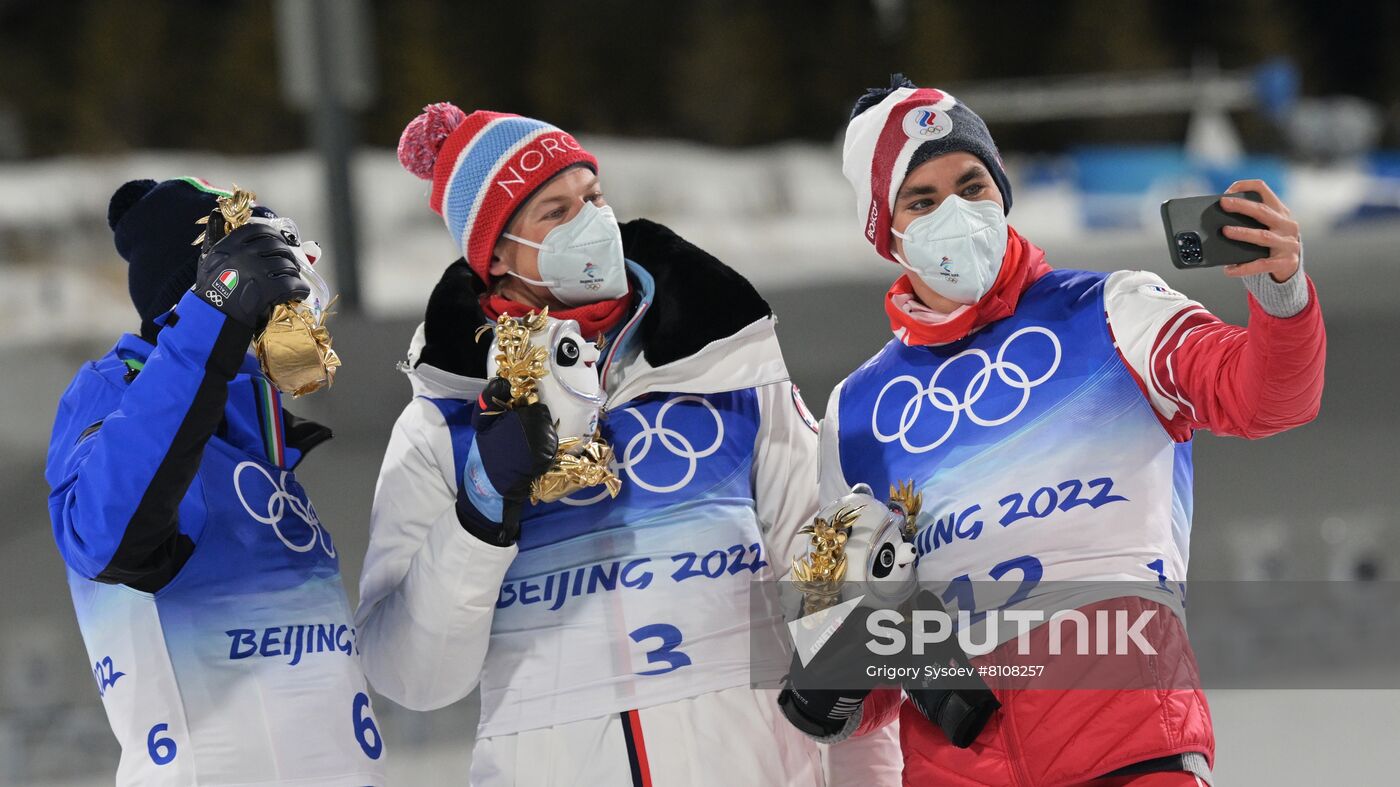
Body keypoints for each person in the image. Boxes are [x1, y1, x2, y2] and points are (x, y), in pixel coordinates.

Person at [778, 76, 1326, 785]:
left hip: (1129, 751)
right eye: (922, 199)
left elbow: (1265, 398)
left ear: (1002, 193)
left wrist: (1282, 296)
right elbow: (867, 679)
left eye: (972, 185)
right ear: (888, 233)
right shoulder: (856, 412)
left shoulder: (1113, 310)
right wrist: (830, 670)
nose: (956, 211)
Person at [355, 103, 894, 785]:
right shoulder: (441, 423)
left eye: (593, 196)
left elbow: (837, 598)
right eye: (555, 211)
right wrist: (480, 513)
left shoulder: (725, 360)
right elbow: (413, 677)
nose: (591, 222)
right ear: (495, 255)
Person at [46, 178, 384, 786]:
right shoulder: (112, 392)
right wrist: (213, 318)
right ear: (208, 289)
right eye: (271, 270)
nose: (301, 295)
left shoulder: (259, 434)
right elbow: (105, 534)